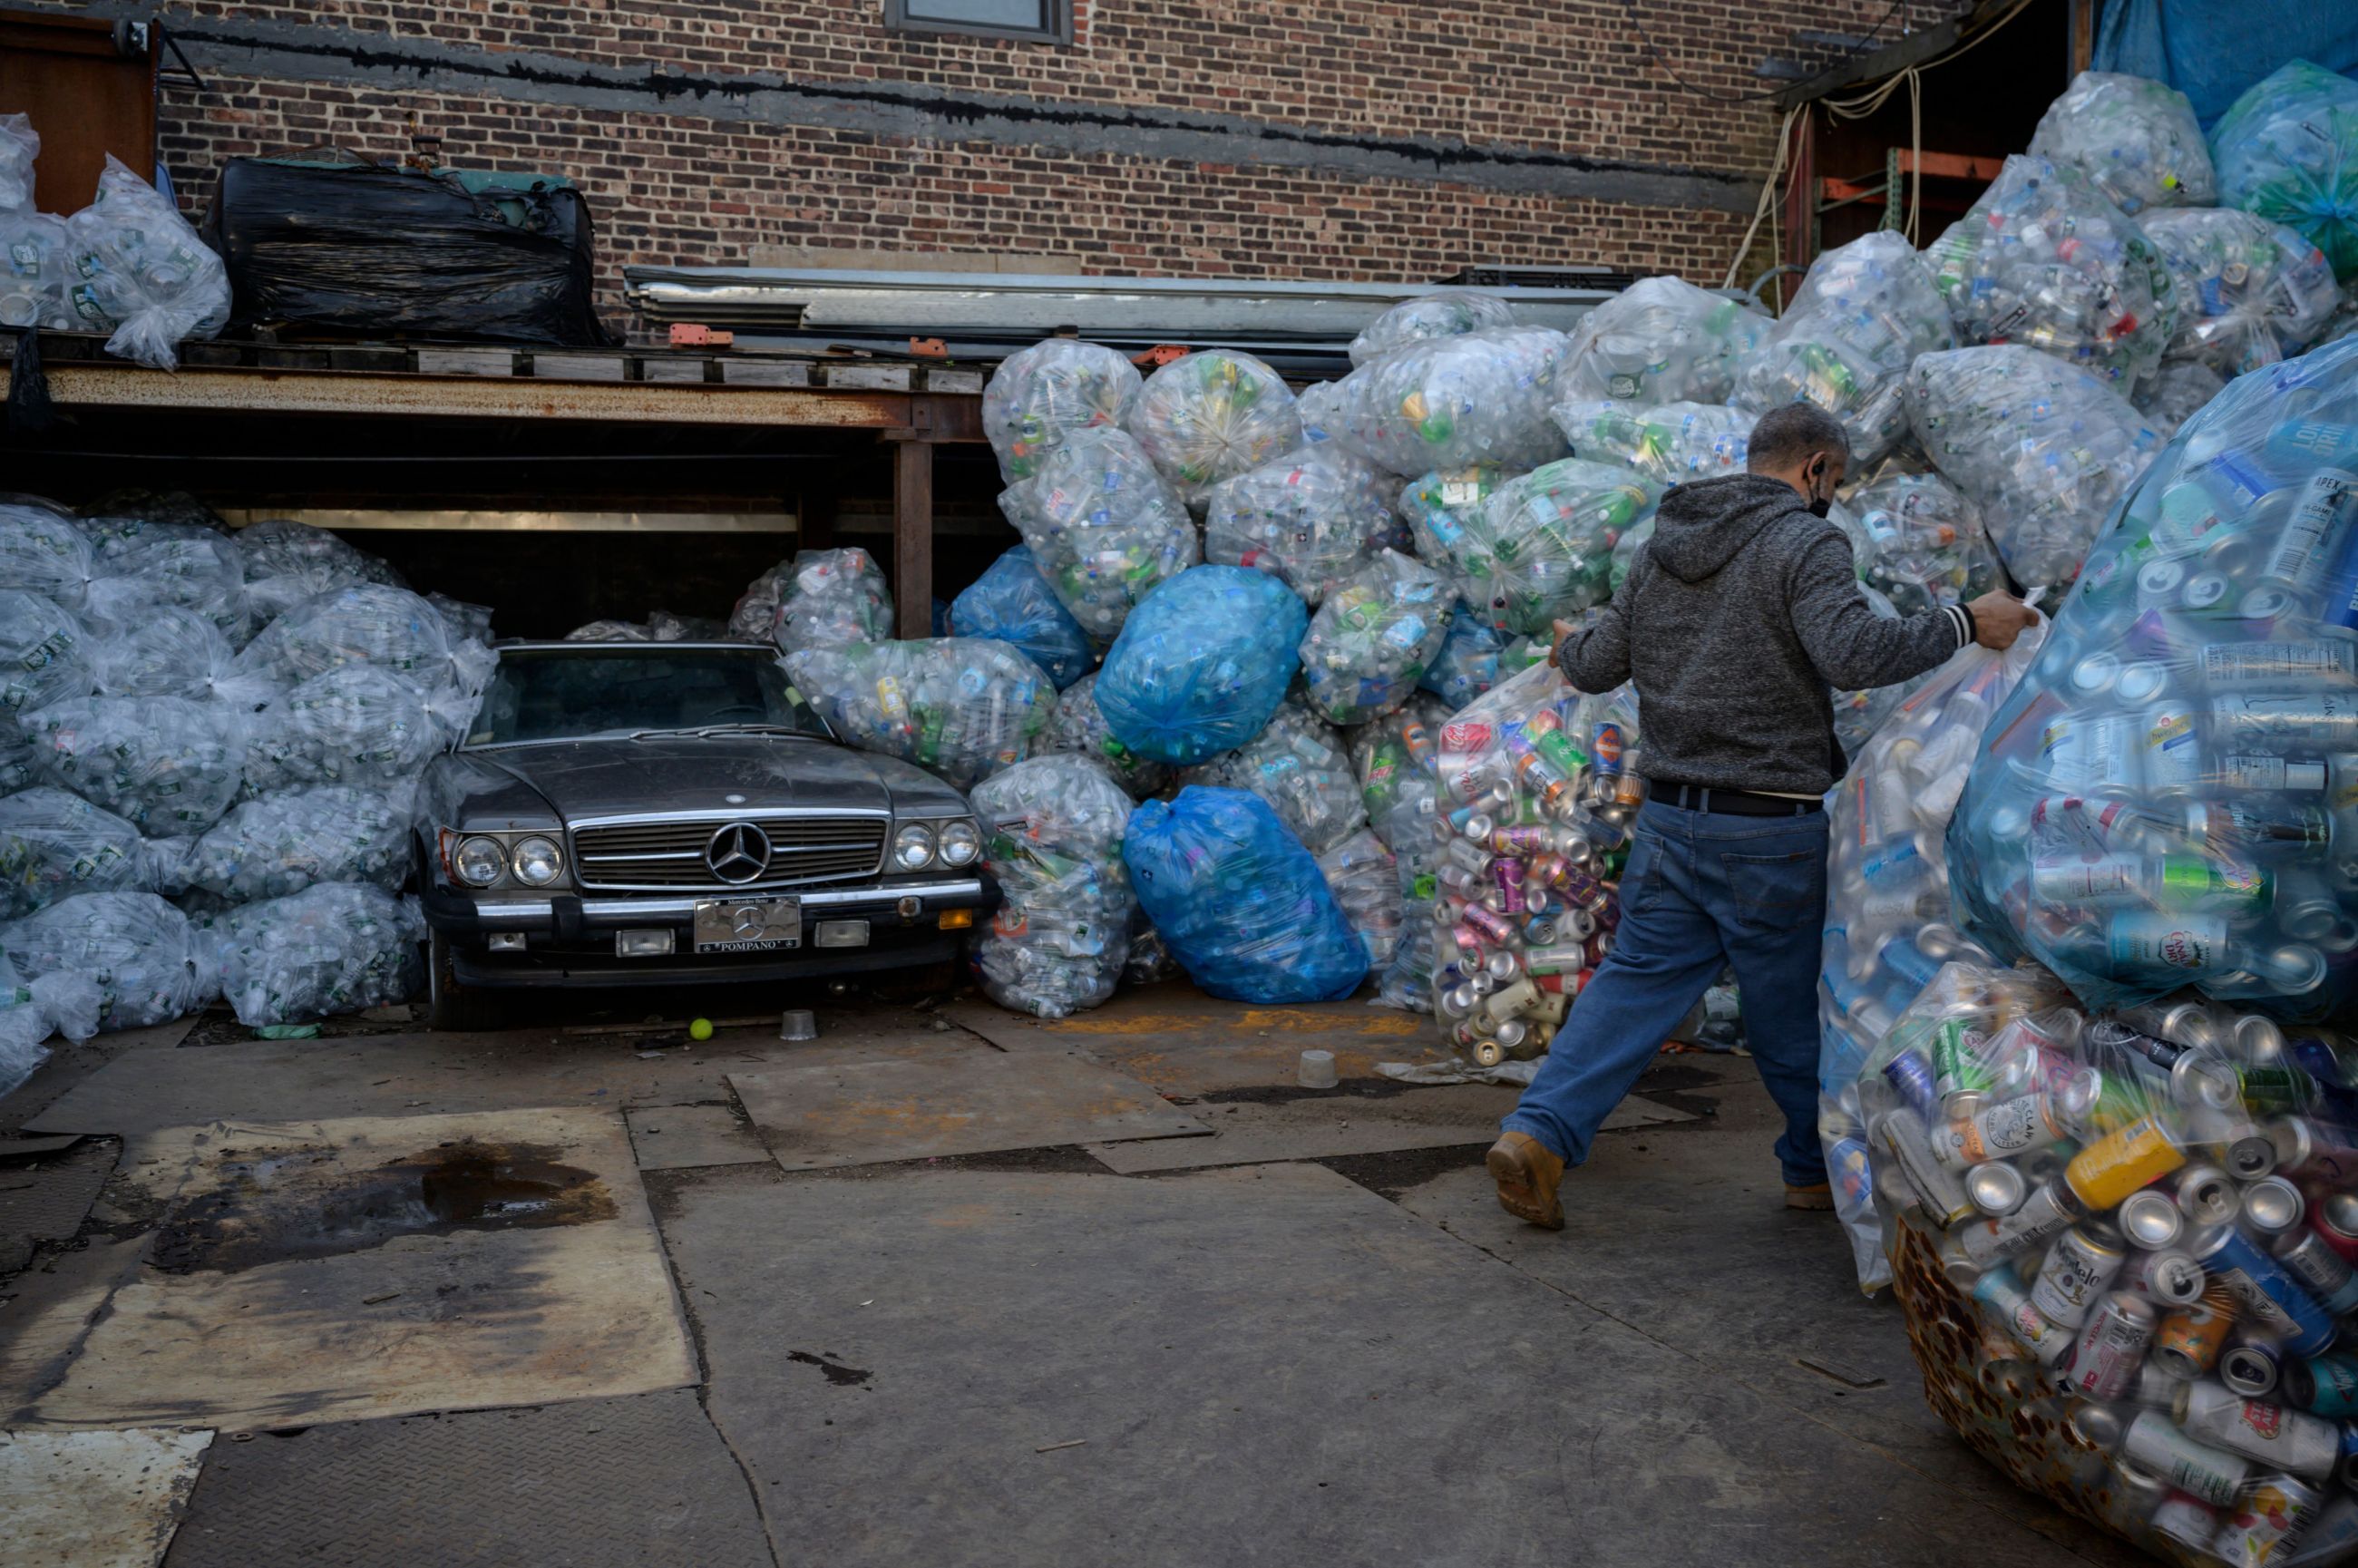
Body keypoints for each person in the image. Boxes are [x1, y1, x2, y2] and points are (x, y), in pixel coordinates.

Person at [1486, 402, 2036, 1229]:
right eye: (1836, 481)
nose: (1833, 497)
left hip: (1670, 821)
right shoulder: (1806, 540)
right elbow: (1855, 653)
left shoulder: (1664, 545)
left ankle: (1536, 1134)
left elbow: (1598, 666)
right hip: (1767, 830)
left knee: (1631, 987)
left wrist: (1568, 646)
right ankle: (1812, 1173)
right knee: (1791, 1014)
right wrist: (1966, 621)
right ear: (1814, 467)